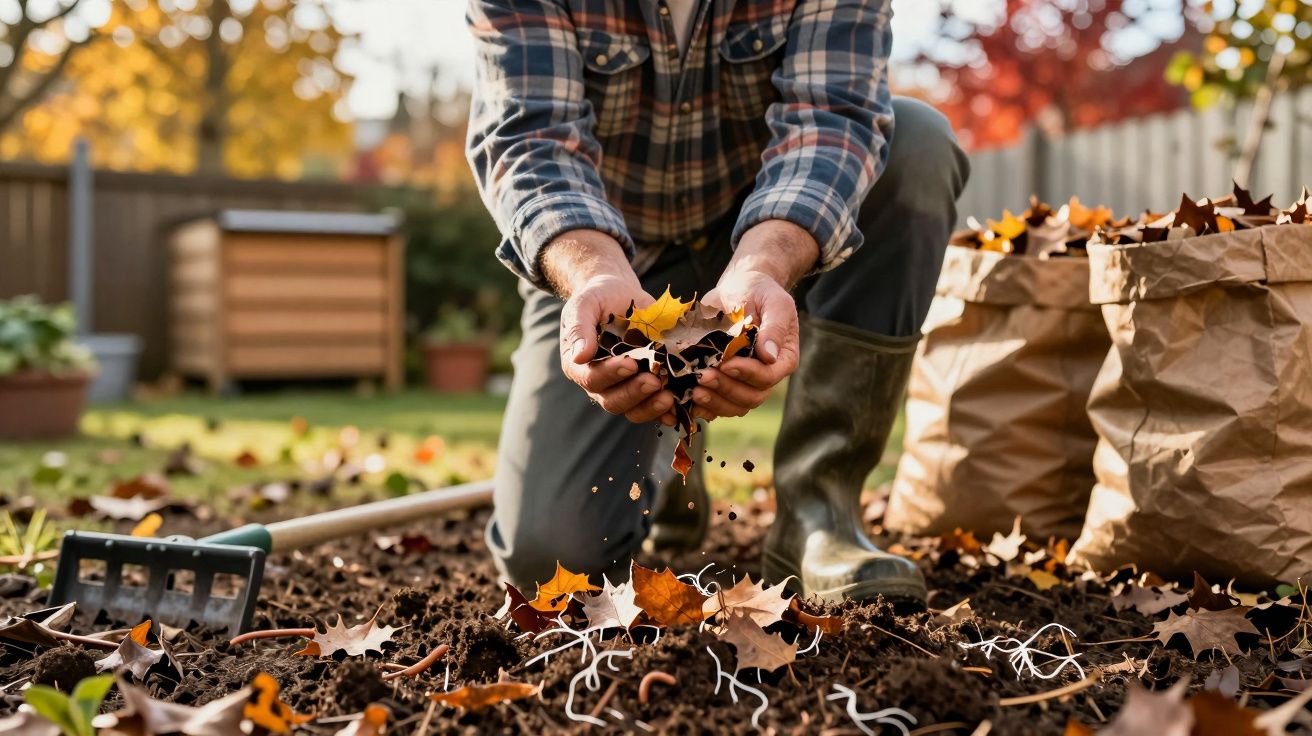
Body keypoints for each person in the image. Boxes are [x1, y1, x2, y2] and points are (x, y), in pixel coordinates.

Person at [466, 0, 969, 604]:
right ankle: (671, 461)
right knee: (551, 561)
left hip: (772, 233)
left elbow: (833, 119)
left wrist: (762, 265)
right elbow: (529, 139)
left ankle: (820, 511)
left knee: (918, 145)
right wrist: (593, 272)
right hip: (607, 254)